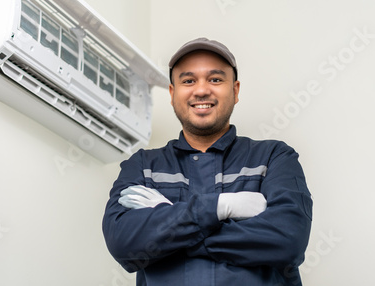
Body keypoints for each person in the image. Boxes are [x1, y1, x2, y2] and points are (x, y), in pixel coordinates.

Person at [102, 38, 313, 286]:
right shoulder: (143, 166)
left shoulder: (273, 157)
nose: (201, 90)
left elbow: (288, 241)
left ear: (235, 91)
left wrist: (169, 222)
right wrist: (221, 207)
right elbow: (123, 242)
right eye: (188, 80)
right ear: (172, 93)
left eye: (215, 79)